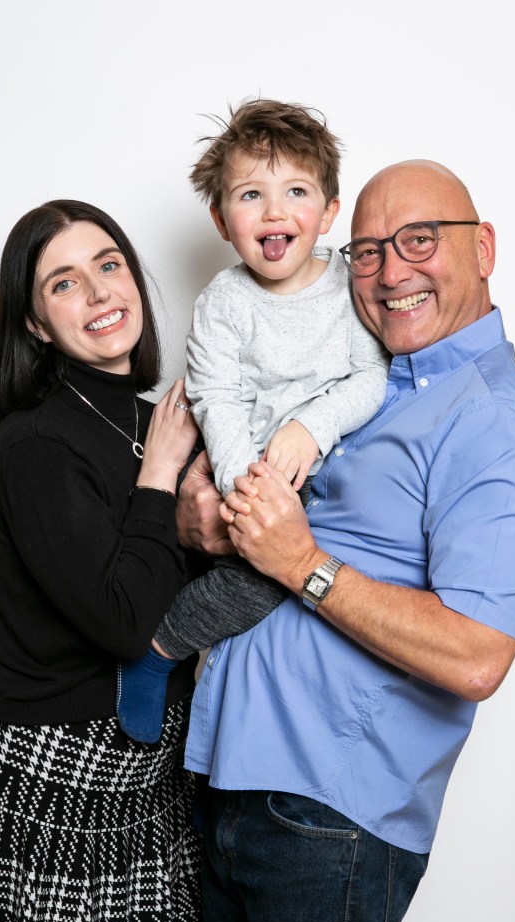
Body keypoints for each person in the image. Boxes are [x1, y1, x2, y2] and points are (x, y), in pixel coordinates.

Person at [178, 160, 515, 922]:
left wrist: (302, 564)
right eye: (366, 251)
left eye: (419, 241)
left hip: (328, 824)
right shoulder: (372, 374)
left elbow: (476, 654)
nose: (392, 272)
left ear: (484, 248)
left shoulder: (497, 425)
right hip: (225, 781)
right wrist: (201, 520)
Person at [0, 200, 203, 922]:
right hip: (50, 780)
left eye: (109, 265)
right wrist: (159, 478)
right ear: (33, 324)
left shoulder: (163, 421)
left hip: (146, 784)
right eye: (63, 283)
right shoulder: (33, 448)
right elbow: (124, 620)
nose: (98, 292)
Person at [117, 99, 388, 743]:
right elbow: (217, 397)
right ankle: (158, 650)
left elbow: (371, 376)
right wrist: (246, 489)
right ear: (221, 220)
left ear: (328, 212)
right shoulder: (224, 304)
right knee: (263, 580)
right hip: (247, 469)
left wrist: (312, 428)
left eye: (296, 191)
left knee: (350, 568)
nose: (274, 211)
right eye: (250, 195)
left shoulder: (349, 288)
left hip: (324, 466)